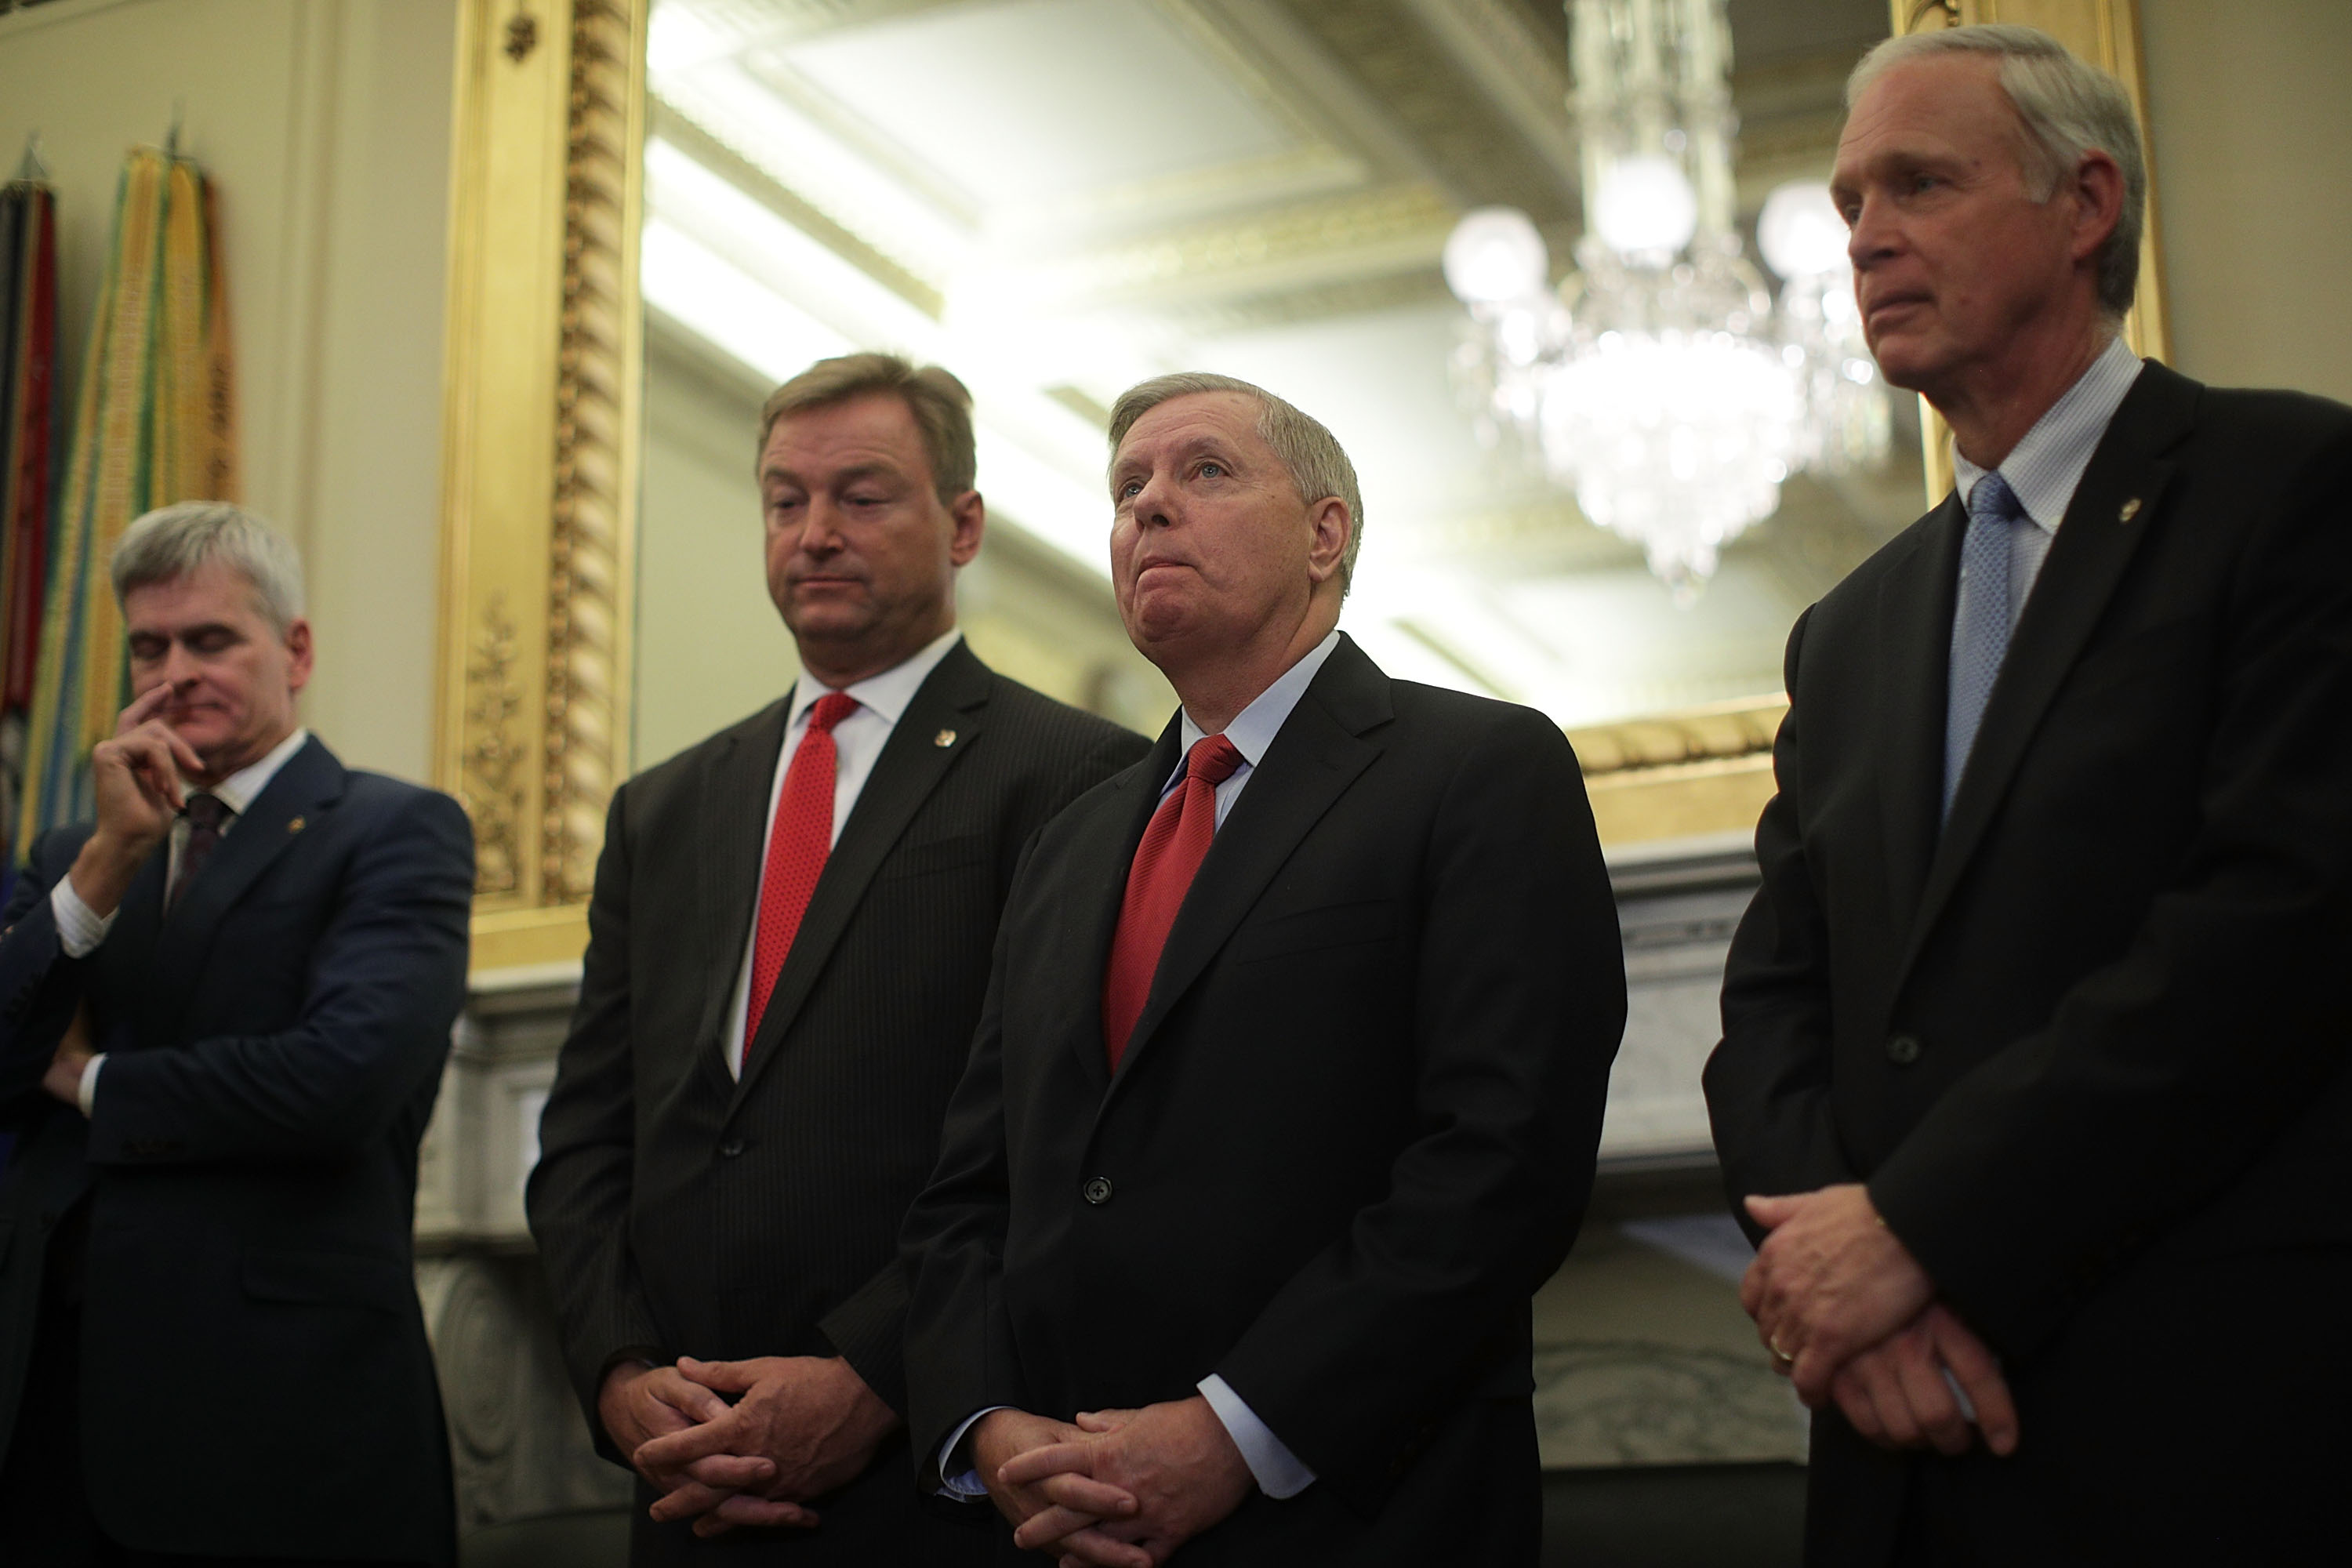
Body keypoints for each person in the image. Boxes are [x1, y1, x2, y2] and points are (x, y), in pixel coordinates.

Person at [1704, 24, 2352, 1566]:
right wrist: (1838, 1295)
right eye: (1851, 198)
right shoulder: (1847, 628)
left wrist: (1919, 1228)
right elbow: (1774, 1003)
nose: (1864, 235)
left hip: (2197, 1399)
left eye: (1918, 183)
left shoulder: (2290, 489)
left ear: (2086, 204)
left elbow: (2274, 927)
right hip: (1894, 1439)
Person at [899, 372, 1625, 1566]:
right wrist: (988, 1428)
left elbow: (1503, 1163)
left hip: (1355, 1510)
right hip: (1069, 1518)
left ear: (1327, 533)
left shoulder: (1479, 771)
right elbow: (974, 1188)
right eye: (1128, 487)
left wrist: (1236, 1432)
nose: (1149, 508)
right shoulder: (1069, 847)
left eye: (1205, 472)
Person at [526, 353, 1148, 1563]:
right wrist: (618, 1374)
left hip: (924, 1477)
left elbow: (1056, 1141)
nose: (814, 533)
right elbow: (589, 1135)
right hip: (681, 1477)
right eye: (783, 499)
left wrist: (873, 1374)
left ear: (962, 524)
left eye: (862, 497)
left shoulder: (1078, 774)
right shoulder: (664, 808)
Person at [0, 502, 474, 1566]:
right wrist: (103, 872)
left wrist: (85, 1083)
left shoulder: (394, 830)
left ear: (294, 649)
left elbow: (339, 1082)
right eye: (149, 645)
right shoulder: (78, 846)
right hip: (49, 1409)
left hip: (276, 1413)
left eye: (211, 640)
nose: (174, 673)